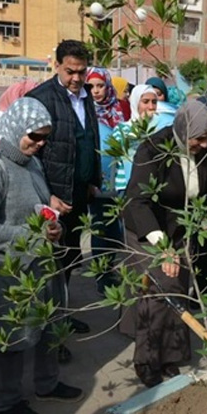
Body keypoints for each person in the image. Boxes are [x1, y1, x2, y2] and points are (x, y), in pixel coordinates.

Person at [0, 98, 83, 414]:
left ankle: (47, 384)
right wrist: (33, 236)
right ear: (16, 129)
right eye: (34, 136)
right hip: (8, 272)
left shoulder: (32, 163)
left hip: (40, 266)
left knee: (47, 325)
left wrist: (54, 226)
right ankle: (9, 401)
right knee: (14, 338)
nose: (40, 143)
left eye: (45, 137)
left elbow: (40, 208)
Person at [121, 101, 207, 387]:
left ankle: (171, 355)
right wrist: (163, 248)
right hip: (148, 226)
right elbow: (137, 202)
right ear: (183, 129)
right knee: (158, 293)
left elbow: (205, 191)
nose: (203, 144)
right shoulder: (153, 149)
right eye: (198, 138)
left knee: (180, 290)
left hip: (181, 227)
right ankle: (147, 360)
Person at [27, 39, 101, 342]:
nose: (76, 78)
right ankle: (49, 334)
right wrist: (47, 195)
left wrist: (93, 180)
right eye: (70, 71)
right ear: (56, 65)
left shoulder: (85, 97)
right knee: (50, 266)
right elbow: (30, 154)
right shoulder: (40, 99)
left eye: (82, 72)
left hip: (80, 195)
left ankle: (63, 316)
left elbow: (88, 139)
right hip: (53, 200)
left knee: (69, 261)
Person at [85, 67, 125, 292]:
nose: (96, 91)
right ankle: (102, 277)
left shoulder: (117, 110)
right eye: (91, 86)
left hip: (117, 180)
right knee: (100, 227)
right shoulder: (86, 113)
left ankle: (109, 268)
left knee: (115, 230)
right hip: (96, 182)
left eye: (100, 86)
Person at [112, 84, 158, 193]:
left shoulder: (159, 128)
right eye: (145, 102)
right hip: (127, 187)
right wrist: (140, 125)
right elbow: (122, 150)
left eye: (154, 102)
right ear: (136, 103)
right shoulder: (122, 129)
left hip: (153, 186)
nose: (151, 107)